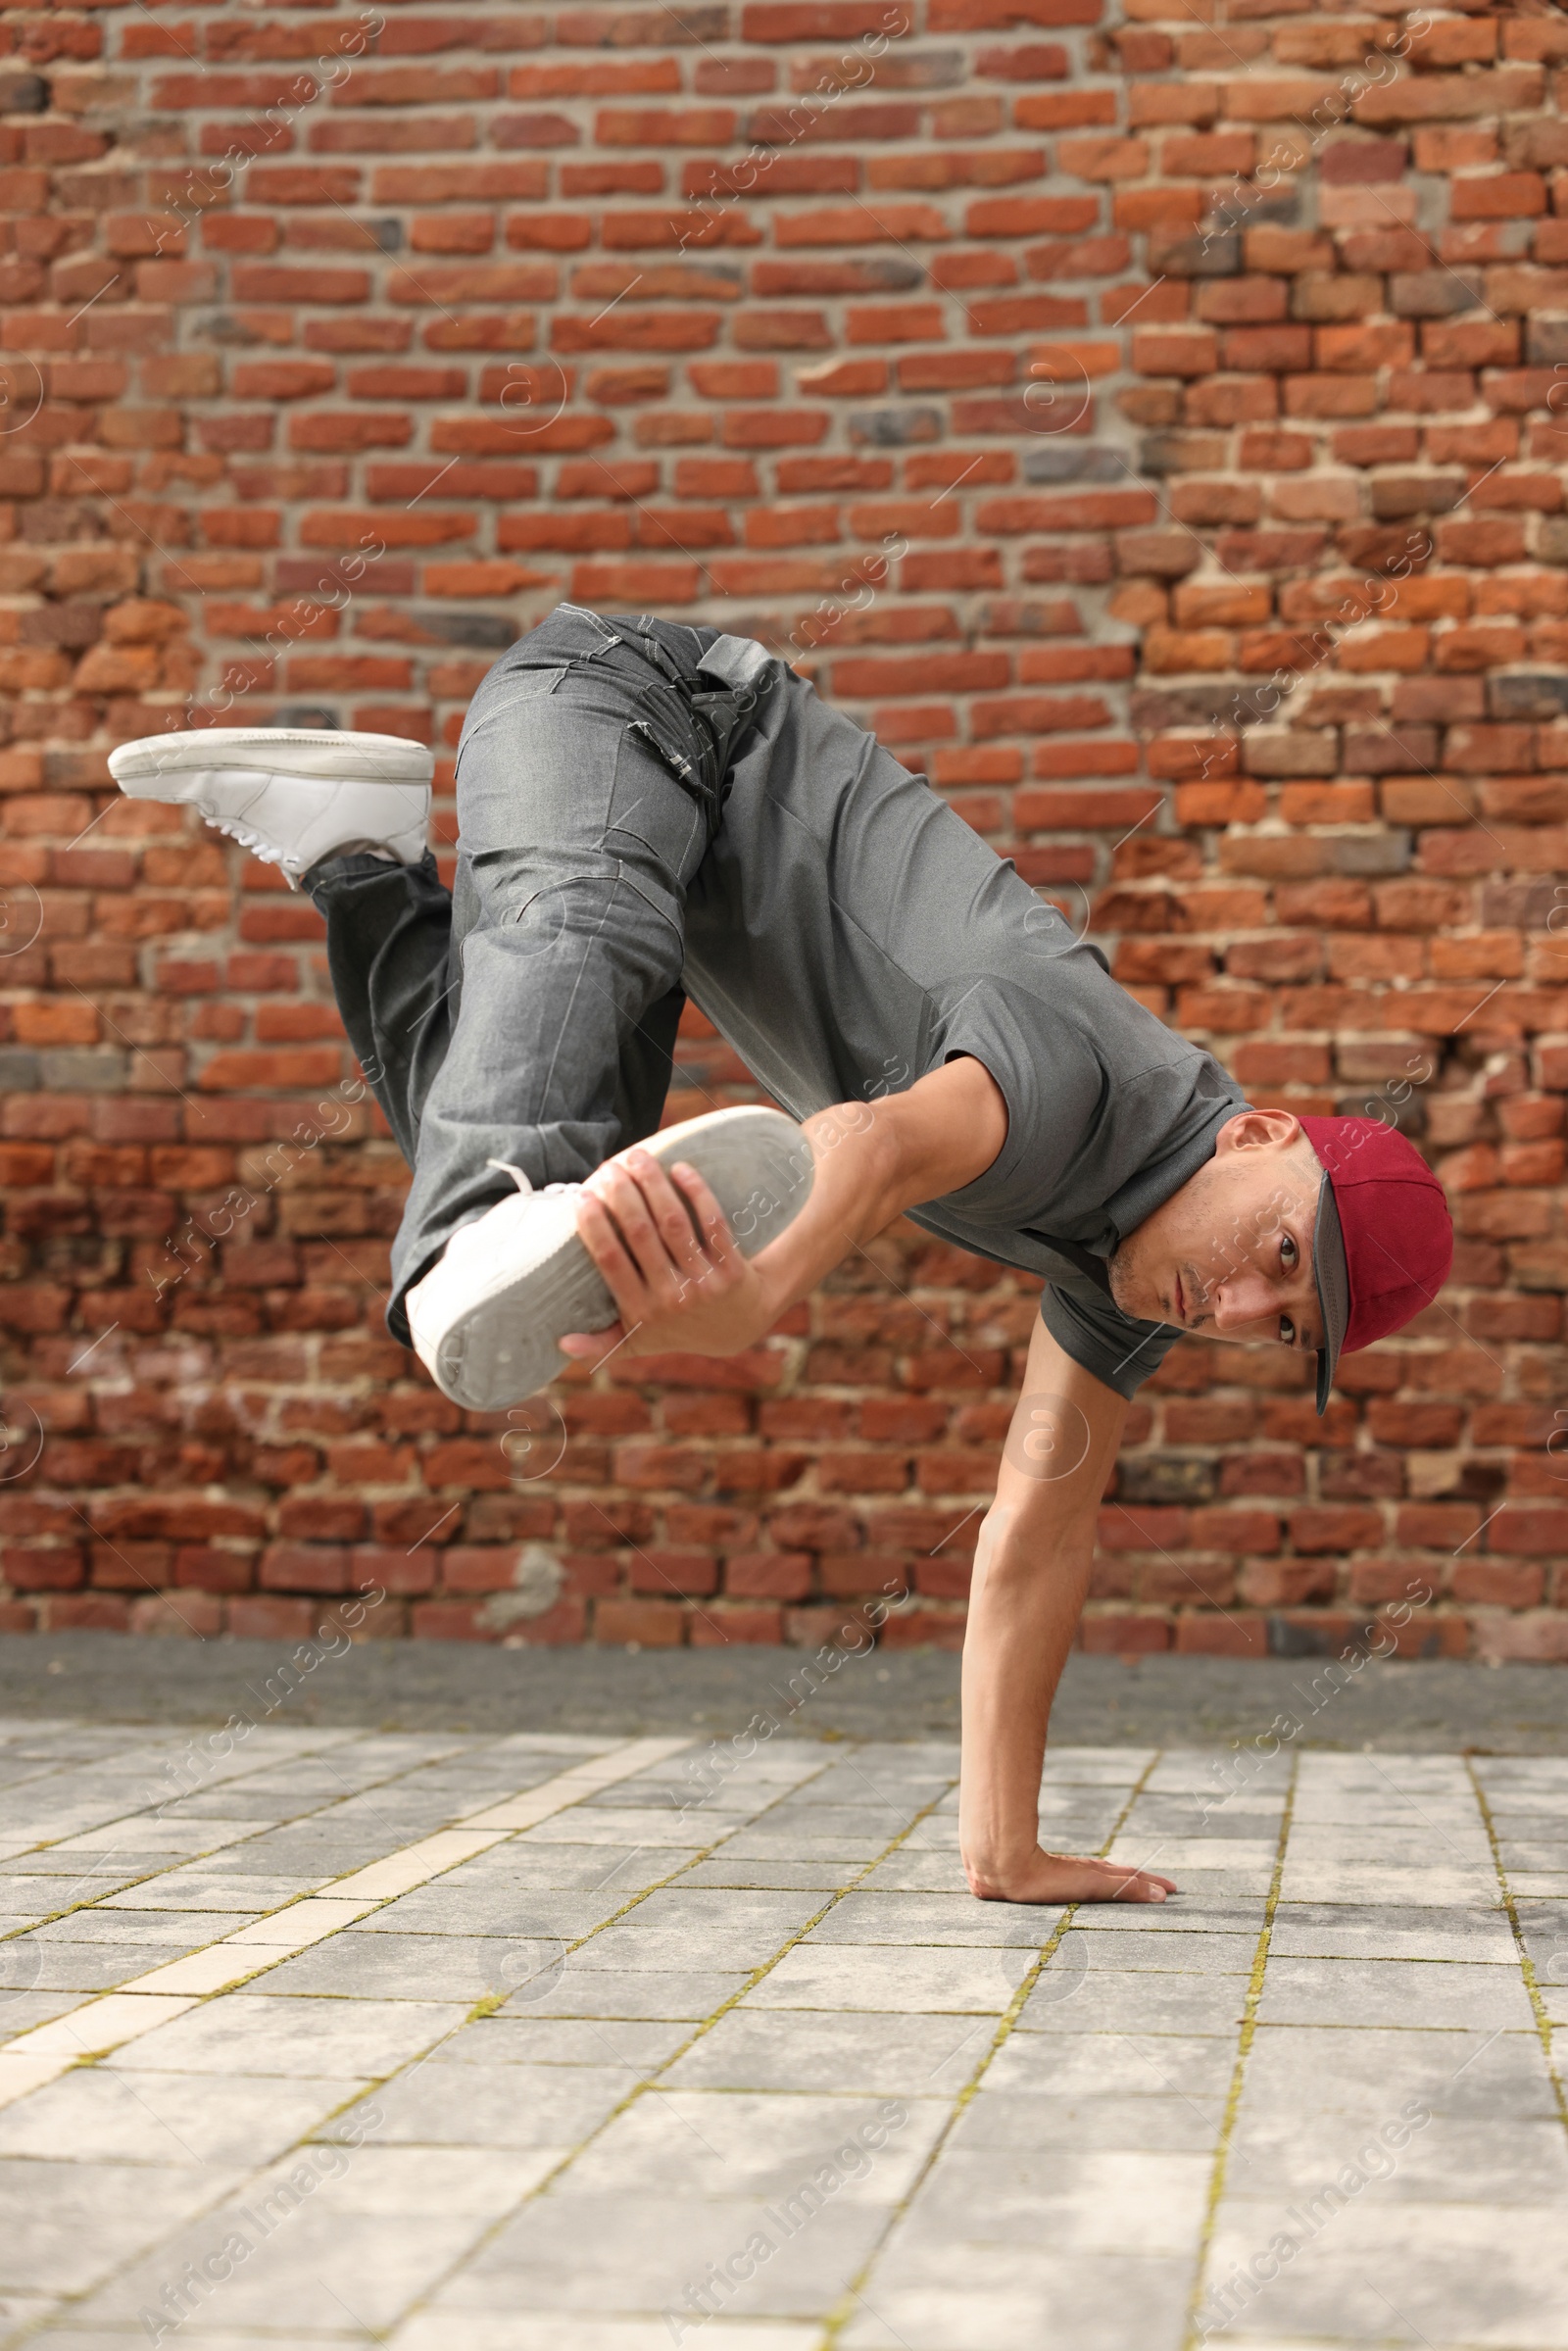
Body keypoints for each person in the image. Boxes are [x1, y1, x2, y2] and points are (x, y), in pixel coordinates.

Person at [113, 601, 1453, 1909]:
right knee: (579, 938)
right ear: (1259, 1133)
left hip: (672, 828)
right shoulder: (1083, 1080)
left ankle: (356, 856)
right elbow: (871, 1146)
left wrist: (1006, 1849)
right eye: (1282, 1250)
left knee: (554, 1144)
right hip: (635, 705)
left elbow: (1039, 1531)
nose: (1238, 1306)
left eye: (1285, 1326)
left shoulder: (1152, 1258)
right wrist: (750, 1297)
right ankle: (472, 1200)